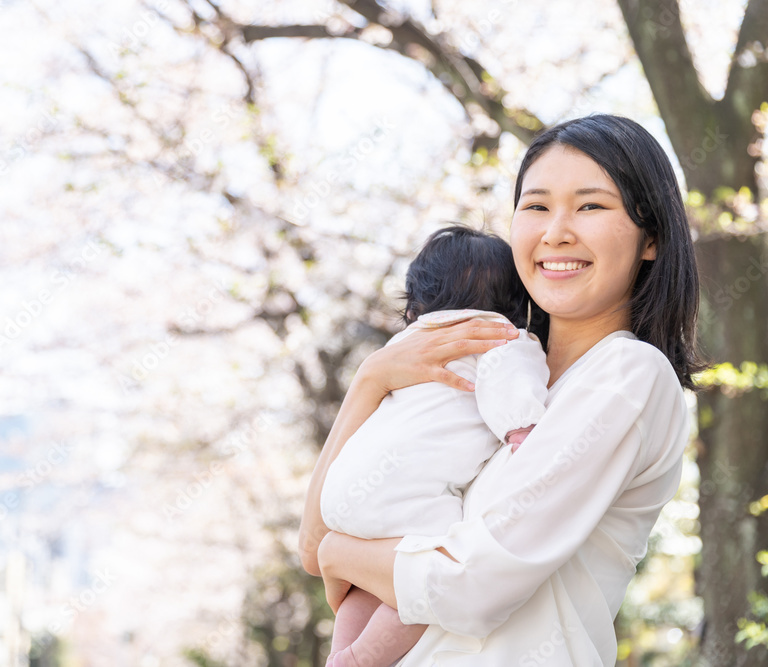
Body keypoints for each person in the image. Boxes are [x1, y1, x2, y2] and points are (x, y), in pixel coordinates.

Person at [299, 114, 702, 666]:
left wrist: (340, 552)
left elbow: (470, 585)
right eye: (536, 206)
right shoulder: (483, 373)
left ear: (650, 236)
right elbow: (312, 544)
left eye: (590, 206)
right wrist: (372, 380)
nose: (556, 231)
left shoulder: (628, 375)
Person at [321, 224, 550, 667]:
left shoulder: (405, 344)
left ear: (416, 303)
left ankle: (339, 653)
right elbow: (511, 378)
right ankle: (363, 657)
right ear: (516, 303)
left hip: (343, 495)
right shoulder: (499, 336)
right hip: (407, 497)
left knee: (371, 582)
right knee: (434, 568)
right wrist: (521, 429)